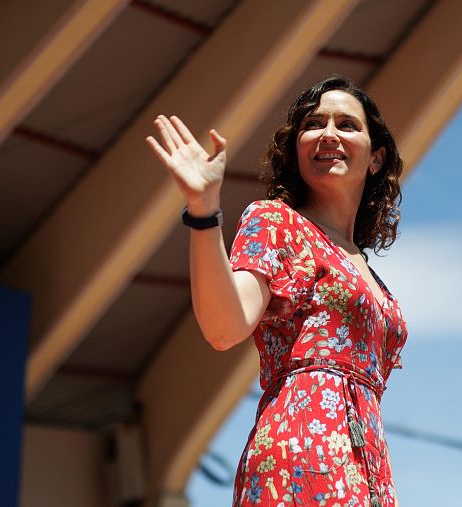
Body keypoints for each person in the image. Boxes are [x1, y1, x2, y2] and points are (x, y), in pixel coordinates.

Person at [147, 75, 407, 507]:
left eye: (347, 124)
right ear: (297, 149)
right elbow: (224, 326)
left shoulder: (364, 267)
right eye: (313, 123)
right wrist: (203, 210)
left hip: (369, 470)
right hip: (299, 458)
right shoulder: (276, 222)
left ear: (376, 157)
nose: (328, 133)